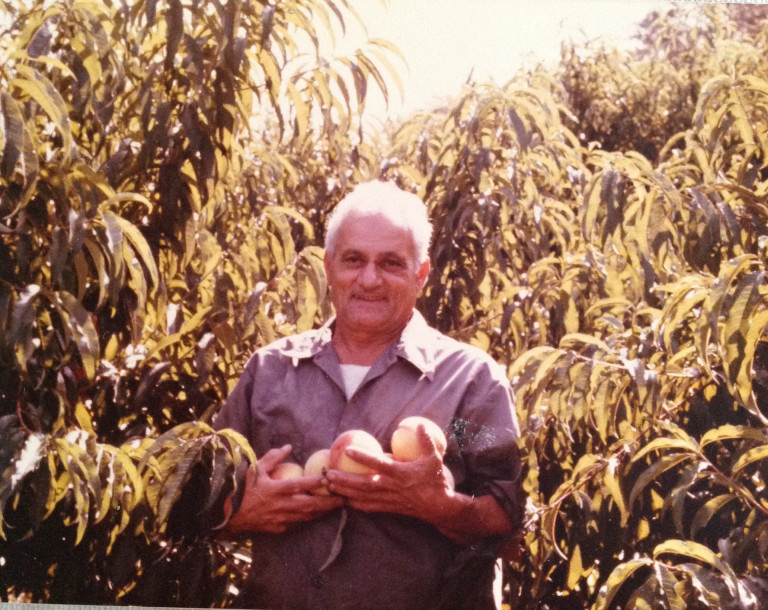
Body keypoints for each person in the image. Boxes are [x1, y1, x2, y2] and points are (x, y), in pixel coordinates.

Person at [213, 180, 523, 609]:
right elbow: (202, 499)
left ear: (421, 274)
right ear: (328, 266)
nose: (369, 279)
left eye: (391, 263)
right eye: (354, 260)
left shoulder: (470, 383)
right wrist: (238, 514)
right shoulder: (270, 373)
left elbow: (508, 516)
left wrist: (441, 506)